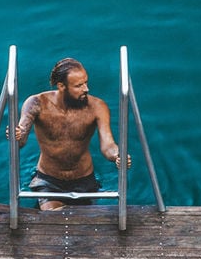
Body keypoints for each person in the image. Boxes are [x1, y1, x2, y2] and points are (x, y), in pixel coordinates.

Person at [15, 57, 130, 210]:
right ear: (61, 86)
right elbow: (21, 140)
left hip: (84, 179)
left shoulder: (97, 106)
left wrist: (118, 155)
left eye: (86, 82)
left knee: (85, 219)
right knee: (54, 216)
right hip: (48, 180)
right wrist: (17, 135)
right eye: (79, 85)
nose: (86, 89)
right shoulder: (37, 103)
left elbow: (108, 145)